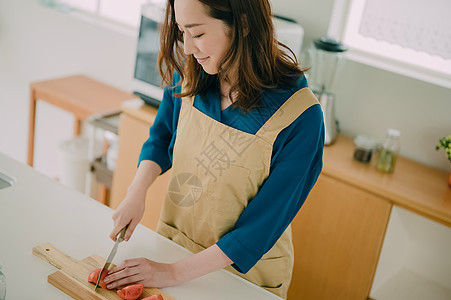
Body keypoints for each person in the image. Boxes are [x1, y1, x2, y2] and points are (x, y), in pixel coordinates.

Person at [104, 0, 324, 298]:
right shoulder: (192, 72)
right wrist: (136, 192)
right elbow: (161, 137)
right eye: (182, 32)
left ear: (243, 24)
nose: (187, 48)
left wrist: (172, 273)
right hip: (175, 252)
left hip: (241, 279)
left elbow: (260, 227)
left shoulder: (301, 116)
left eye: (197, 34)